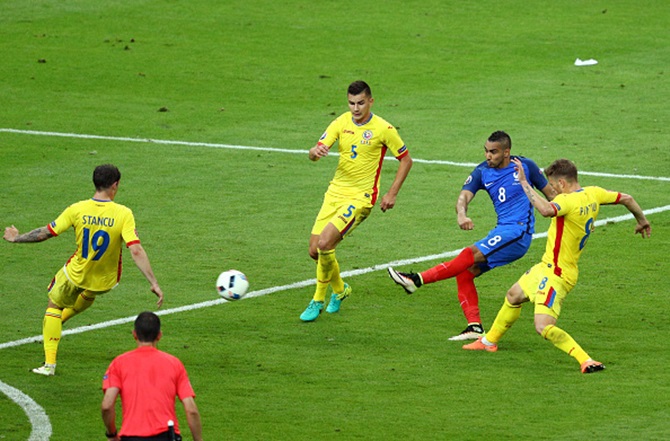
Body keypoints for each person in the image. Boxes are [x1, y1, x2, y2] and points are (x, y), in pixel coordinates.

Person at [463, 158, 651, 373]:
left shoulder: (568, 202)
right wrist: (642, 220)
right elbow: (627, 198)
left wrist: (525, 182)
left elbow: (545, 210)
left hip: (558, 274)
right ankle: (488, 342)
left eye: (551, 186)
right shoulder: (594, 193)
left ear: (561, 183)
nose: (551, 190)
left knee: (543, 326)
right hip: (546, 266)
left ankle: (586, 360)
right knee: (514, 295)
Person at [388, 130, 557, 340]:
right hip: (502, 231)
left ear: (506, 152)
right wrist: (462, 214)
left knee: (469, 253)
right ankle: (474, 326)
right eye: (486, 151)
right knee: (465, 271)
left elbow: (552, 196)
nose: (488, 156)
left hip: (518, 232)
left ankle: (416, 279)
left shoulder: (525, 166)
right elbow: (463, 197)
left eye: (493, 152)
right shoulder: (482, 171)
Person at [3, 164, 164, 376]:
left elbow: (46, 233)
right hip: (105, 280)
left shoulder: (77, 209)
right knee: (88, 292)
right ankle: (57, 324)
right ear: (115, 185)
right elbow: (135, 250)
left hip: (77, 274)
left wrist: (16, 238)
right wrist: (153, 282)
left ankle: (49, 364)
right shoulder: (124, 213)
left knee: (54, 305)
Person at [300, 80, 413, 321]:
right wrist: (314, 152)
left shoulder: (383, 129)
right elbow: (315, 151)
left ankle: (317, 300)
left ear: (371, 101)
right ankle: (340, 290)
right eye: (351, 103)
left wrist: (392, 193)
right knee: (314, 250)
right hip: (335, 193)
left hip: (361, 197)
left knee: (325, 243)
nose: (355, 108)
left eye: (361, 102)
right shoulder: (341, 121)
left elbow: (406, 160)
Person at [101, 311, 203, 440]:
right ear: (159, 335)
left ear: (134, 335)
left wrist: (112, 434)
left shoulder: (119, 363)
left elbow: (107, 406)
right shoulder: (174, 363)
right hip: (166, 435)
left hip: (131, 437)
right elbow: (191, 410)